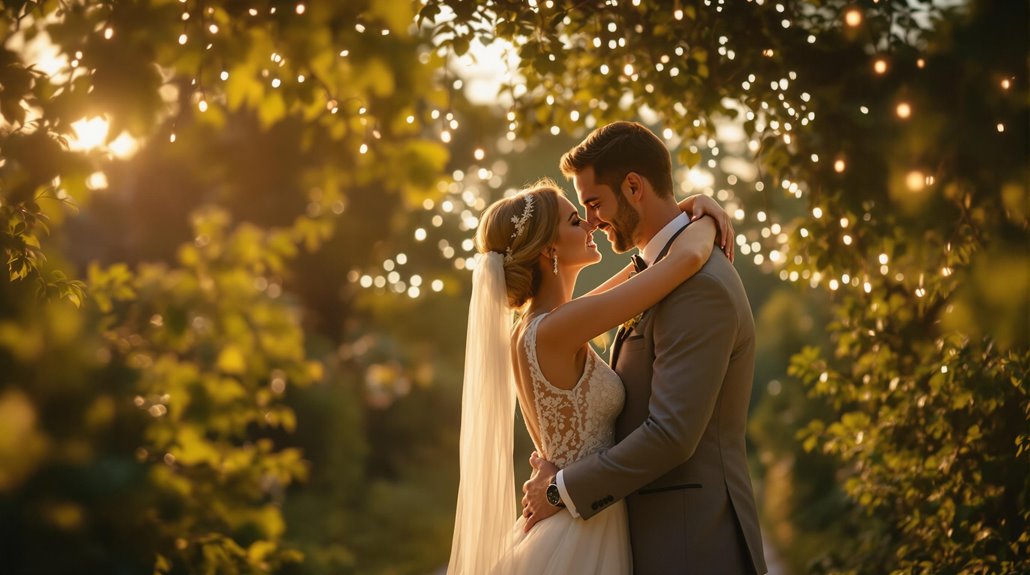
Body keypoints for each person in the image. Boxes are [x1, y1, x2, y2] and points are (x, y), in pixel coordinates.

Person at [447, 171, 734, 574]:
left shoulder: (540, 325)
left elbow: (642, 268)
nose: (590, 224)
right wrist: (709, 219)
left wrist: (688, 207)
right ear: (549, 249)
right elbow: (684, 260)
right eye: (574, 221)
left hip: (580, 514)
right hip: (582, 530)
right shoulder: (558, 328)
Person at [520, 122, 768, 574]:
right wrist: (699, 212)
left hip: (691, 547)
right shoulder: (659, 272)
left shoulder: (698, 288)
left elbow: (671, 435)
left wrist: (560, 490)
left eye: (594, 203)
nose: (592, 221)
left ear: (634, 187)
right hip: (641, 541)